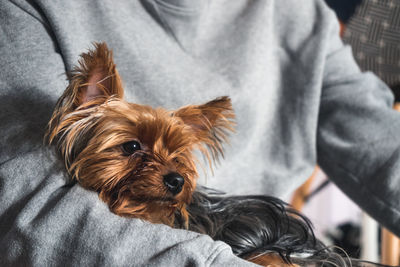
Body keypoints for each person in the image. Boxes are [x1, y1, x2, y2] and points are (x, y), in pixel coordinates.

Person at [1, 0, 399, 265]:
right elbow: (30, 207)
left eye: (177, 159)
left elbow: (380, 145)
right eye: (133, 148)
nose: (171, 171)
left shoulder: (301, 13)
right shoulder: (27, 10)